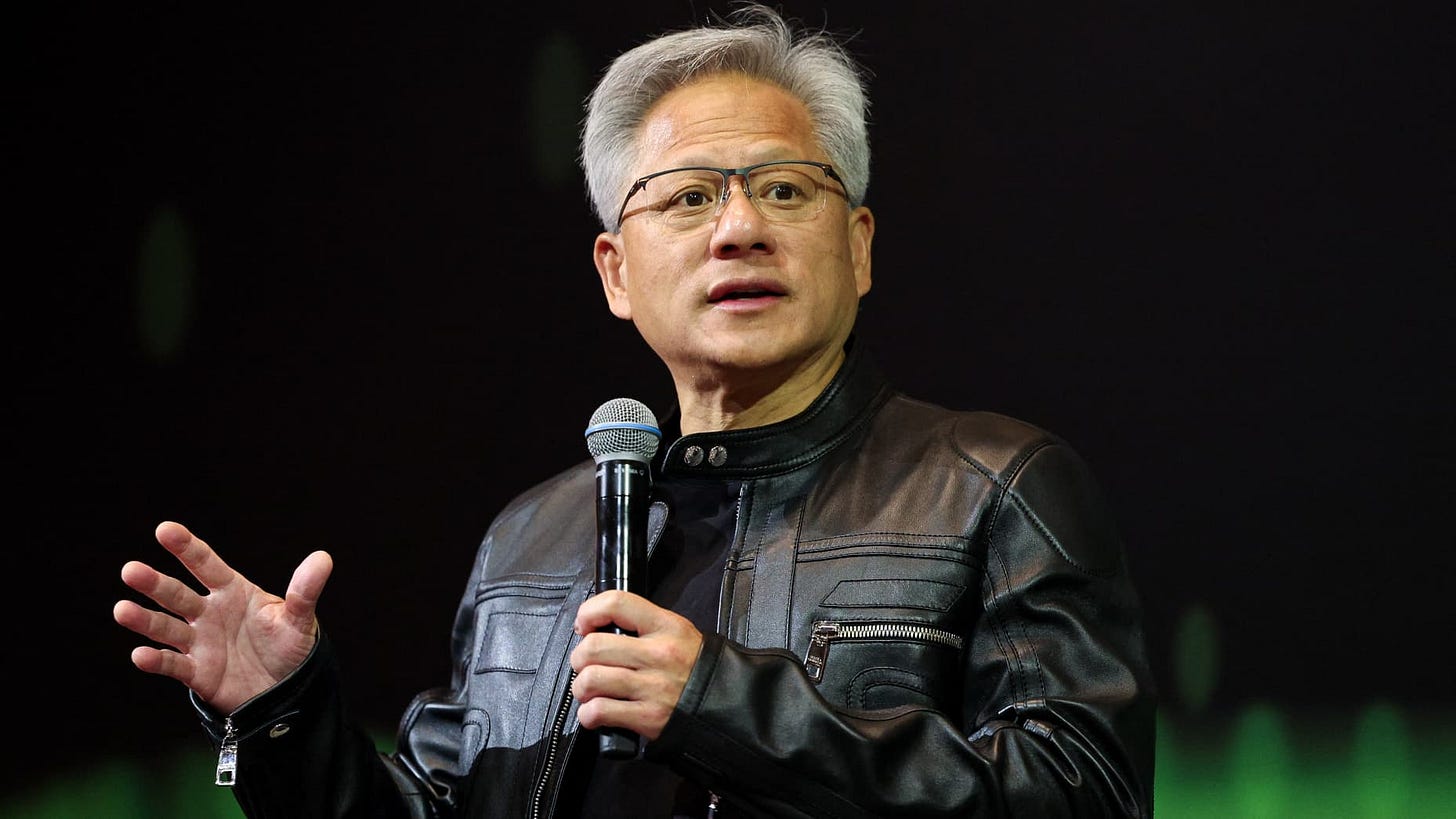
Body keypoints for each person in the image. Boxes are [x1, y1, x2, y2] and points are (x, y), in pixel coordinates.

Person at [114, 6, 1155, 817]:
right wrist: (283, 717)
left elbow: (1083, 797)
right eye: (690, 197)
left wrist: (717, 703)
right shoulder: (531, 537)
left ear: (860, 245)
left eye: (787, 190)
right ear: (615, 271)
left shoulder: (993, 486)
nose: (740, 227)